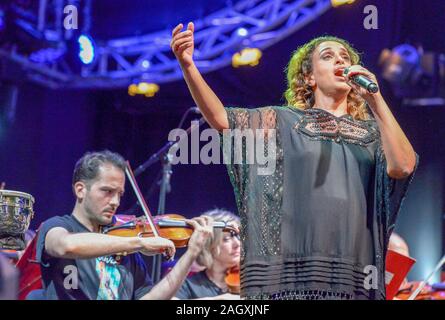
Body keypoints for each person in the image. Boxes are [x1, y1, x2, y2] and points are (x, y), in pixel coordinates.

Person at [171, 23, 418, 300]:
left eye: (345, 57)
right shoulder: (284, 121)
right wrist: (189, 66)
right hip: (294, 274)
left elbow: (403, 166)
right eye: (327, 56)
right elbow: (221, 120)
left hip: (354, 272)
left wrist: (376, 99)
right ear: (310, 78)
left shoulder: (374, 133)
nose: (340, 60)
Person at [36, 150, 213, 300]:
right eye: (107, 191)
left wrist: (191, 254)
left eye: (120, 194)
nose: (115, 202)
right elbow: (64, 246)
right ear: (80, 189)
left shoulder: (123, 238)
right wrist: (139, 243)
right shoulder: (58, 226)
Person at [174, 209, 241, 300]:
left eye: (238, 237)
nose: (237, 244)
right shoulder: (190, 286)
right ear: (209, 245)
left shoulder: (249, 280)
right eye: (227, 239)